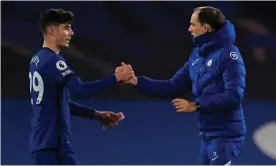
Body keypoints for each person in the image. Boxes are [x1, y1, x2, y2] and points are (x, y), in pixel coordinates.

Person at [121, 6, 246, 165]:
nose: (189, 29)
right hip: (208, 134)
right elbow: (172, 87)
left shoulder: (229, 55)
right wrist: (136, 81)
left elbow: (234, 96)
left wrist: (196, 105)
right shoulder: (197, 56)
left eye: (193, 24)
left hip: (226, 135)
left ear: (205, 27)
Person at [29, 8, 133, 165]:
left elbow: (56, 102)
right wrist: (116, 78)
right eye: (66, 28)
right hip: (54, 147)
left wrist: (96, 114)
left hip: (42, 145)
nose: (71, 33)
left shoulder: (36, 60)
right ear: (51, 31)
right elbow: (82, 90)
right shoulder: (54, 61)